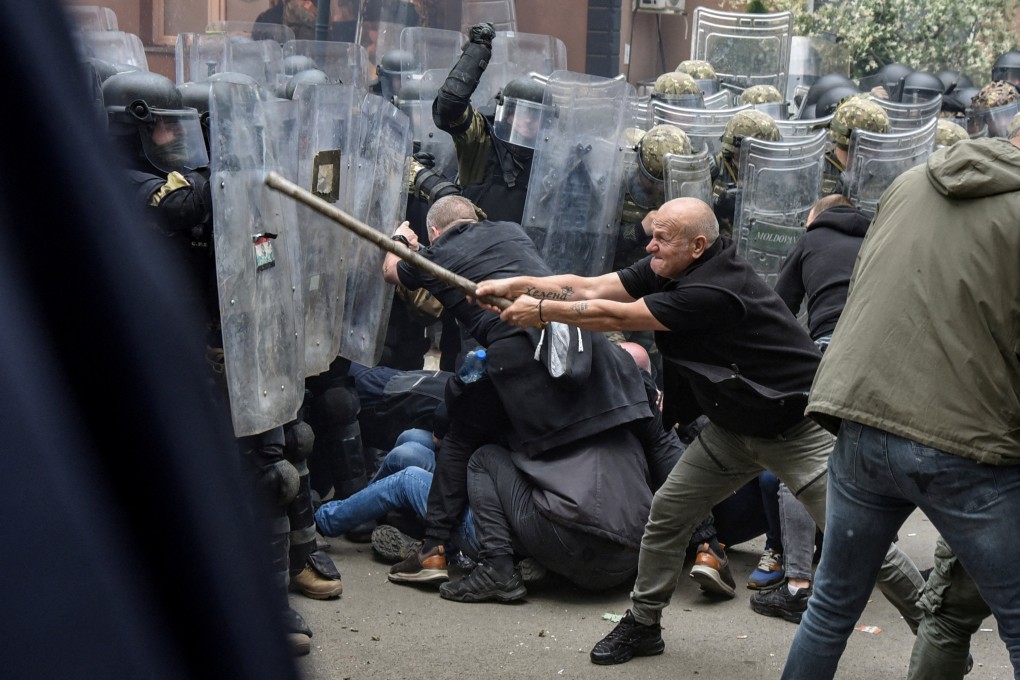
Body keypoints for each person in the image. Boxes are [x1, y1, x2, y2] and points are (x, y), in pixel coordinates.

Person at [476, 196, 924, 666]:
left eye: (661, 238)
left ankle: (931, 624)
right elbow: (590, 285)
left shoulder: (713, 291)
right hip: (733, 429)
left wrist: (542, 313)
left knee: (856, 538)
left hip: (796, 431)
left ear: (698, 245)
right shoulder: (671, 266)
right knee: (668, 514)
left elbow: (617, 317)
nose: (649, 245)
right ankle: (644, 624)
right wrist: (515, 284)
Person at [8, 0, 299, 674]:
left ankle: (291, 582)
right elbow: (187, 204)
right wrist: (231, 165)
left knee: (278, 459)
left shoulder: (195, 173)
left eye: (183, 127)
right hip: (181, 354)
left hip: (231, 338)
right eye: (167, 129)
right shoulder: (127, 181)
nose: (177, 138)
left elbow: (254, 246)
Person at [779, 124, 1020, 680]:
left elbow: (868, 287)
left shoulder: (910, 183)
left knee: (830, 608)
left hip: (861, 418)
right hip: (962, 442)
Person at [380, 195, 660, 596]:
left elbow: (392, 270)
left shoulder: (436, 253)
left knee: (466, 443)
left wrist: (401, 240)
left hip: (515, 347)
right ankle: (705, 543)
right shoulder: (511, 231)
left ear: (436, 232)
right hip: (574, 335)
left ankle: (446, 553)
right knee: (642, 423)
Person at [748, 193, 870, 623]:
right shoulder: (877, 234)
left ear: (815, 217)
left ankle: (798, 583)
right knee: (871, 465)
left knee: (801, 464)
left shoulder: (812, 239)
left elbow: (777, 309)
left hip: (832, 351)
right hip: (883, 357)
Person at [431, 22, 545, 224]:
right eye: (521, 112)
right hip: (478, 248)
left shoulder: (550, 155)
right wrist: (478, 51)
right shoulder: (482, 140)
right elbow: (450, 107)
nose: (528, 119)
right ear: (506, 113)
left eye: (535, 114)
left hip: (527, 252)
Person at [711, 109, 782, 238]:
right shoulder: (714, 170)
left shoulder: (778, 174)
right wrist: (717, 205)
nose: (768, 159)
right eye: (762, 153)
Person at [822, 95, 890, 196]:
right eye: (873, 148)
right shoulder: (818, 171)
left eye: (878, 146)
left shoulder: (883, 171)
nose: (877, 154)